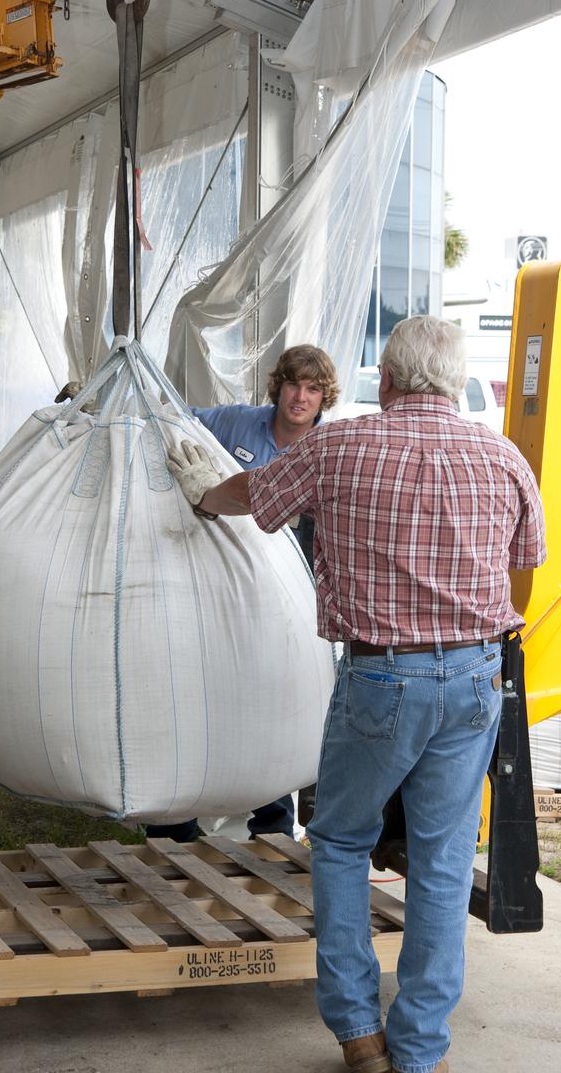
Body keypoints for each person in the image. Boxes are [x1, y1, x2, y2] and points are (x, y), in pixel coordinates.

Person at [166, 316, 546, 1073]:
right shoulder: (502, 454)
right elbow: (524, 555)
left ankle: (356, 1032)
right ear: (449, 378)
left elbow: (256, 496)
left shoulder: (339, 446)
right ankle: (418, 1050)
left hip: (381, 676)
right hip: (476, 677)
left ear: (389, 379)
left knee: (340, 842)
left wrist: (203, 495)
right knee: (439, 862)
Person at [146, 343, 339, 845]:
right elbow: (168, 419)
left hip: (287, 599)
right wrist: (119, 403)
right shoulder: (234, 424)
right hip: (210, 585)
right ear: (279, 387)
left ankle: (273, 827)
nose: (301, 397)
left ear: (324, 399)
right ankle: (174, 821)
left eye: (313, 390)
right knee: (190, 689)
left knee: (273, 698)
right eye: (294, 385)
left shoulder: (328, 447)